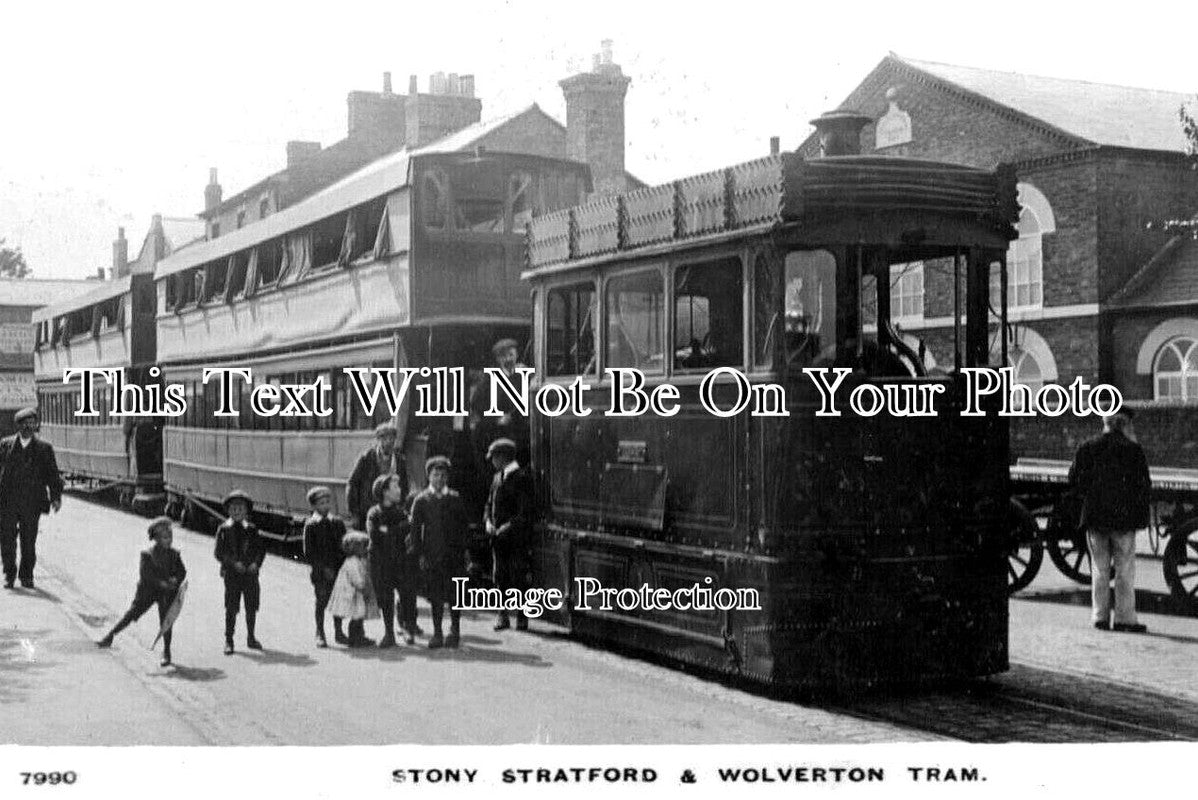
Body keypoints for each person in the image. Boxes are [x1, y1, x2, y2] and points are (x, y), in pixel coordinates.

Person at [1068, 410, 1152, 633]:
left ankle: (1099, 617)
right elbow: (1144, 485)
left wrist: (1090, 497)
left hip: (1096, 518)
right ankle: (1125, 619)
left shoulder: (1087, 447)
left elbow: (1074, 479)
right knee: (1125, 570)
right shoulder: (1133, 450)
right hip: (1123, 520)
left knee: (1099, 568)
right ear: (1123, 424)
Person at [97, 517, 186, 667]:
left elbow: (182, 571)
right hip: (148, 591)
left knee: (166, 621)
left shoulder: (174, 554)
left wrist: (175, 580)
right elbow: (146, 575)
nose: (169, 540)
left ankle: (166, 652)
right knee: (131, 614)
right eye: (165, 537)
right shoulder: (147, 554)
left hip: (166, 593)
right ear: (156, 538)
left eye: (170, 536)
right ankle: (110, 635)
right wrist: (161, 583)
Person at [409, 455, 470, 648]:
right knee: (435, 595)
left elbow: (463, 527)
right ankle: (437, 633)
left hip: (454, 555)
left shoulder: (455, 498)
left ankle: (455, 631)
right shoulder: (421, 500)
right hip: (432, 555)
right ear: (429, 476)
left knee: (455, 595)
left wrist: (465, 551)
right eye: (435, 474)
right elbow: (415, 531)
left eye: (443, 475)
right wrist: (419, 554)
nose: (439, 478)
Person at [0, 406, 63, 589]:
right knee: (7, 539)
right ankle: (9, 574)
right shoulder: (5, 445)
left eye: (32, 423)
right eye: (25, 424)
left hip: (31, 502)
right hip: (8, 501)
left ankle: (26, 575)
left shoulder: (44, 449)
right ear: (18, 426)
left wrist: (56, 497)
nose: (29, 427)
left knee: (29, 540)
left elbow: (53, 474)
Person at [484, 438, 533, 631]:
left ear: (502, 457)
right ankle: (503, 615)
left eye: (494, 457)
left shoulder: (521, 477)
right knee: (500, 575)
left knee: (518, 575)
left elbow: (525, 510)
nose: (492, 461)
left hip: (515, 537)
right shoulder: (498, 477)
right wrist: (488, 521)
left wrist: (508, 526)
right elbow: (489, 504)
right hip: (497, 536)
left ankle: (522, 617)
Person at [214, 489, 266, 654]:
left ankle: (251, 637)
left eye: (240, 509)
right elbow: (218, 553)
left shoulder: (252, 529)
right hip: (232, 575)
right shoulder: (223, 529)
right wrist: (232, 563)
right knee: (231, 607)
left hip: (250, 575)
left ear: (246, 511)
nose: (237, 512)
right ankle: (229, 640)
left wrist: (255, 564)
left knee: (251, 606)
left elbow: (261, 550)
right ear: (228, 510)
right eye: (233, 509)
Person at [367, 473, 416, 646]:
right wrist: (397, 530)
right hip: (381, 562)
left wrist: (388, 530)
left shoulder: (400, 512)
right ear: (385, 492)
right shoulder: (374, 513)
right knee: (385, 598)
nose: (400, 490)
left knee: (407, 595)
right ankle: (389, 633)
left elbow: (406, 532)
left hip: (400, 560)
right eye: (395, 487)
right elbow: (375, 534)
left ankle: (408, 629)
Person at [469, 338, 531, 467]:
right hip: (495, 431)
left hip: (518, 431)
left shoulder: (524, 375)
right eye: (503, 356)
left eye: (511, 355)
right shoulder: (489, 379)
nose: (508, 359)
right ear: (498, 359)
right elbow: (477, 404)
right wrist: (496, 418)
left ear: (517, 355)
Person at [303, 485, 347, 648]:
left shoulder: (337, 522)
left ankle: (339, 631)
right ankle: (320, 632)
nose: (325, 505)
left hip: (337, 570)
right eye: (321, 503)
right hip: (321, 572)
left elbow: (343, 546)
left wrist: (340, 567)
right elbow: (309, 552)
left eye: (327, 502)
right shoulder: (311, 525)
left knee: (338, 601)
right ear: (314, 506)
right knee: (321, 601)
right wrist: (323, 568)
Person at [347, 422, 409, 532]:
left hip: (391, 511)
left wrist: (402, 507)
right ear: (378, 440)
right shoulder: (366, 459)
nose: (388, 443)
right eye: (384, 439)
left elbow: (404, 486)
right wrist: (354, 513)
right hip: (367, 510)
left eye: (391, 439)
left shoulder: (399, 461)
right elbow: (353, 485)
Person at [327, 531, 378, 647]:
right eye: (363, 546)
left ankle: (359, 636)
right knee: (357, 615)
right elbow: (357, 579)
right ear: (354, 548)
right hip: (352, 593)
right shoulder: (352, 563)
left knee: (359, 615)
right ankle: (355, 638)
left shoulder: (360, 560)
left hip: (356, 592)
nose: (366, 549)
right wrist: (363, 587)